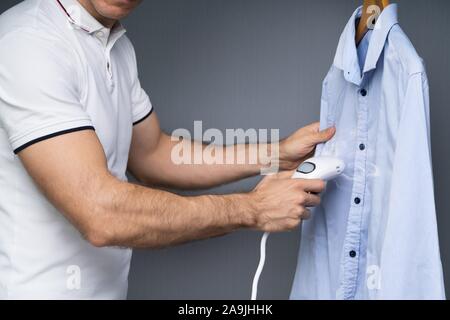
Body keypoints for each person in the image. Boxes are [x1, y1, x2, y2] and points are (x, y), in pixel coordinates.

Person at [0, 0, 335, 299]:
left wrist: (276, 155)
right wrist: (252, 209)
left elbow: (153, 153)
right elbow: (101, 213)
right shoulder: (28, 42)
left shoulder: (116, 46)